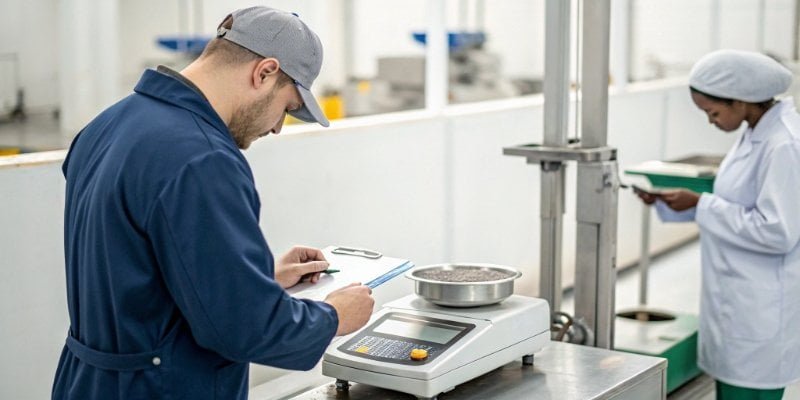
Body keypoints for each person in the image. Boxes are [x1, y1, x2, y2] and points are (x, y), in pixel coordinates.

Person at [52, 6, 375, 400]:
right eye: (287, 108)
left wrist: (256, 277)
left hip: (86, 384)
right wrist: (334, 317)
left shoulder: (108, 126)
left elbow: (132, 270)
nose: (276, 127)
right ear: (264, 72)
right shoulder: (203, 158)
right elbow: (245, 328)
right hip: (161, 388)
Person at [636, 49, 800, 399]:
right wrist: (683, 202)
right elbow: (736, 200)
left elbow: (778, 231)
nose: (710, 121)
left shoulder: (783, 144)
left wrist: (701, 204)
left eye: (713, 112)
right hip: (738, 299)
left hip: (761, 311)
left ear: (741, 102)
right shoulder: (755, 130)